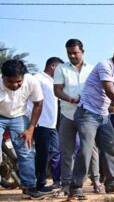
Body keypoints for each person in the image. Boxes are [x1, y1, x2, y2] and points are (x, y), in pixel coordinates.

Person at [69, 46, 114, 199]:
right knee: (86, 149)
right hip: (88, 113)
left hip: (103, 115)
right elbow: (110, 92)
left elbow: (110, 98)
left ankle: (111, 182)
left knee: (111, 146)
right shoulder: (104, 66)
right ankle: (76, 186)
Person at [53, 39, 102, 196]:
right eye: (69, 53)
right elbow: (57, 90)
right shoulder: (61, 69)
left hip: (88, 114)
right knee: (67, 151)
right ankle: (66, 185)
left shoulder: (93, 69)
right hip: (67, 113)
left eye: (75, 52)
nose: (73, 56)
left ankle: (96, 181)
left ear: (83, 52)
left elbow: (98, 90)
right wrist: (69, 98)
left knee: (90, 149)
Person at [0, 60, 45, 199]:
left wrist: (31, 129)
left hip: (19, 116)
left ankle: (29, 187)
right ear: (3, 77)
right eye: (10, 82)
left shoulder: (31, 81)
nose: (14, 85)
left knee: (26, 149)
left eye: (18, 81)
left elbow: (38, 103)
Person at [31, 57, 63, 193]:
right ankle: (40, 183)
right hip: (41, 123)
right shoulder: (37, 78)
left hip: (51, 124)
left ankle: (35, 173)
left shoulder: (53, 82)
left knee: (53, 150)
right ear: (53, 66)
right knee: (43, 153)